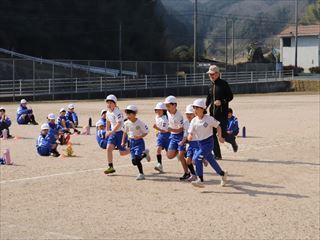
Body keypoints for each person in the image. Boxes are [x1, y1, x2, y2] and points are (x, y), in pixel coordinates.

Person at [188, 98, 228, 188]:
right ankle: (223, 174)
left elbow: (218, 126)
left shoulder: (209, 119)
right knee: (211, 161)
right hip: (200, 144)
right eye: (193, 108)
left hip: (209, 143)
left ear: (202, 109)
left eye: (196, 108)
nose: (194, 110)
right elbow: (190, 132)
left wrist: (220, 136)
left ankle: (200, 180)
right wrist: (189, 136)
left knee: (197, 158)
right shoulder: (194, 121)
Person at [206, 65, 233, 160]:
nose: (211, 76)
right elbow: (209, 98)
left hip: (222, 113)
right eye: (209, 74)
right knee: (212, 134)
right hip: (213, 114)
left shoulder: (224, 84)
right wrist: (204, 107)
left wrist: (221, 101)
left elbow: (230, 97)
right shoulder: (210, 85)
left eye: (212, 74)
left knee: (223, 134)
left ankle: (232, 140)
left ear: (217, 74)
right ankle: (217, 155)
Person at [164, 95, 190, 181]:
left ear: (174, 105)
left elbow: (181, 129)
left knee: (181, 157)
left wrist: (172, 129)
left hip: (180, 136)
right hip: (173, 136)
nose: (167, 108)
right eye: (166, 106)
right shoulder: (168, 112)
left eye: (168, 105)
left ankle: (187, 173)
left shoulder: (179, 116)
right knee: (169, 156)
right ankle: (181, 151)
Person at [122, 105, 151, 180]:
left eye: (129, 114)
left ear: (135, 114)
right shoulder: (126, 123)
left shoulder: (140, 123)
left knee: (137, 159)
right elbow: (125, 133)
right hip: (131, 142)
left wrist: (140, 136)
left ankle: (141, 174)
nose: (128, 115)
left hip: (139, 142)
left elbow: (146, 132)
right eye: (127, 114)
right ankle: (145, 154)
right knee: (134, 162)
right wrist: (123, 142)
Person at [103, 94, 130, 174]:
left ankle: (134, 149)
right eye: (108, 103)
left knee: (122, 153)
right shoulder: (108, 112)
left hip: (121, 133)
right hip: (113, 133)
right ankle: (110, 166)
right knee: (109, 149)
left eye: (111, 103)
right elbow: (108, 121)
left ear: (115, 104)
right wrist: (107, 130)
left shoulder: (117, 112)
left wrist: (111, 131)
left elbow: (119, 123)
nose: (109, 104)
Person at [153, 102, 170, 173]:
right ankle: (159, 165)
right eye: (157, 110)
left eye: (160, 110)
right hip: (160, 136)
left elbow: (164, 130)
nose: (158, 112)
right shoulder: (157, 117)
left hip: (167, 136)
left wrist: (157, 128)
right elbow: (158, 127)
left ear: (164, 110)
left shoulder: (165, 119)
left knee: (169, 154)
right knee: (158, 150)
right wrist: (156, 132)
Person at [183, 104, 197, 181]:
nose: (188, 115)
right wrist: (183, 141)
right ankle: (193, 175)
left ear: (194, 114)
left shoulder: (197, 121)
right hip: (191, 144)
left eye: (190, 114)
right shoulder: (185, 123)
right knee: (188, 161)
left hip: (198, 144)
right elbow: (185, 134)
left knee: (195, 161)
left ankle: (204, 158)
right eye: (187, 114)